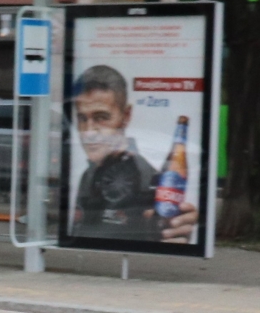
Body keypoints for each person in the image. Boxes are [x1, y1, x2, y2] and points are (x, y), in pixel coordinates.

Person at [70, 65, 198, 243]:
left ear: (126, 115)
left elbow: (165, 233)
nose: (89, 131)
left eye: (101, 117)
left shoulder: (148, 180)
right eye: (82, 119)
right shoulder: (91, 173)